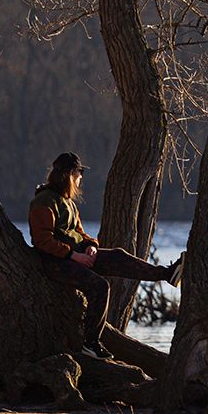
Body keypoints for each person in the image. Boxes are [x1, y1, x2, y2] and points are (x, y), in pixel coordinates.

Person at [28, 152, 184, 359]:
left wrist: (90, 245)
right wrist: (74, 256)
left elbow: (79, 232)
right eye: (79, 172)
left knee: (118, 256)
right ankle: (90, 343)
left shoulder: (69, 203)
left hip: (77, 256)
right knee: (100, 286)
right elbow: (42, 240)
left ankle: (168, 274)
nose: (81, 177)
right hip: (55, 262)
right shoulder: (44, 201)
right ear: (70, 174)